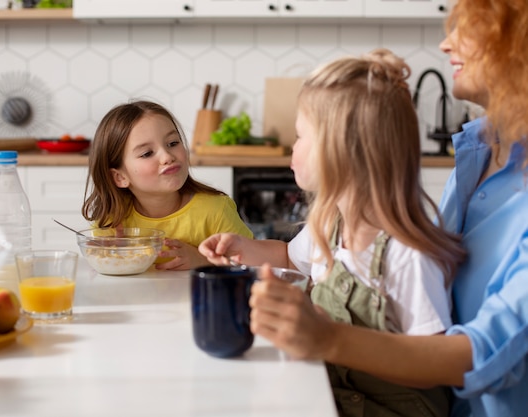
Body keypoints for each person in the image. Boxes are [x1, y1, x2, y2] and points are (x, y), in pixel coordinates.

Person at [206, 0, 528, 416]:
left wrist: (326, 337)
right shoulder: (477, 153)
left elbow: (478, 349)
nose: (445, 43)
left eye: (472, 26)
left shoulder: (408, 249)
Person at [199, 48, 465, 416]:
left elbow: (434, 363)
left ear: (342, 151)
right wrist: (244, 247)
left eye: (300, 135)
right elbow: (290, 257)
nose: (292, 146)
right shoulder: (331, 223)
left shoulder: (406, 253)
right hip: (333, 393)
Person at [82, 100, 253, 271]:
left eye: (173, 143)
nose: (167, 156)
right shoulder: (113, 221)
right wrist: (112, 256)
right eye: (147, 153)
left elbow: (252, 264)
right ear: (119, 177)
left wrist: (203, 260)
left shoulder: (216, 210)